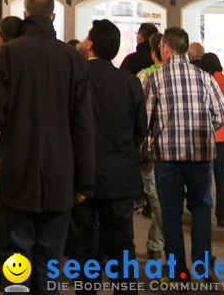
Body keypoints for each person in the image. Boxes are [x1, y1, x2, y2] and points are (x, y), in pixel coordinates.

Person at [0, 0, 94, 294]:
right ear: (53, 17)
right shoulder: (73, 59)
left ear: (26, 15)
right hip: (59, 176)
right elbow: (84, 125)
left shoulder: (6, 55)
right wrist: (84, 182)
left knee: (15, 261)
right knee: (49, 262)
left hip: (17, 172)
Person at [142, 26, 224, 281]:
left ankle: (177, 271)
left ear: (165, 48)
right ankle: (203, 267)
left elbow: (145, 120)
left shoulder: (155, 79)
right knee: (202, 208)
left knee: (171, 213)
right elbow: (222, 116)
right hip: (201, 157)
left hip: (167, 158)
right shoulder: (205, 77)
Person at [67, 19, 147, 281]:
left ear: (89, 44)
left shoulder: (74, 78)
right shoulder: (130, 83)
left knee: (82, 244)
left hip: (81, 176)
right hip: (119, 176)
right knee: (123, 243)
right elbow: (140, 130)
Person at [198, 52, 224, 229]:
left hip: (207, 133)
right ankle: (223, 216)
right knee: (220, 175)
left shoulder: (205, 83)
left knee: (203, 175)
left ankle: (202, 213)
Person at [137, 31, 165, 259]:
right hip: (174, 149)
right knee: (162, 201)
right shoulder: (183, 76)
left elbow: (137, 116)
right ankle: (156, 244)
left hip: (149, 148)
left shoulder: (143, 77)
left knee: (157, 198)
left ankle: (156, 244)